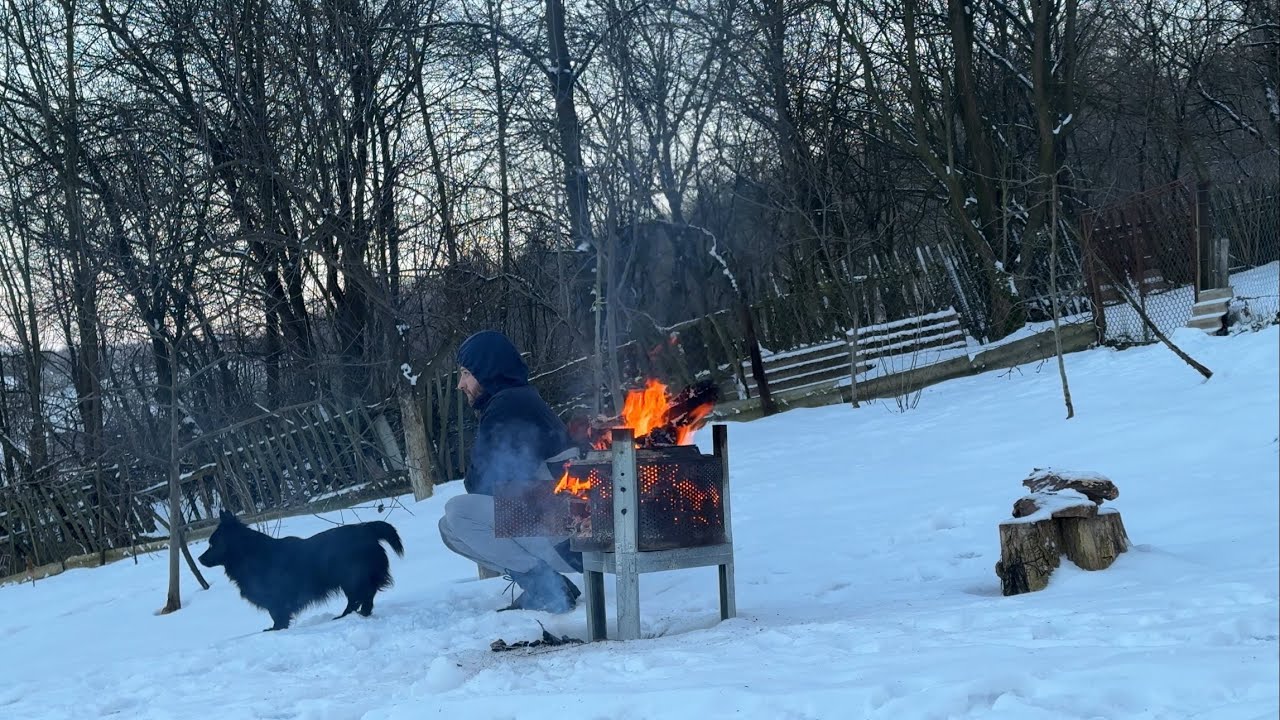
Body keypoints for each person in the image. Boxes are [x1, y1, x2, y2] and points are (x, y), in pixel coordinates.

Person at [437, 330, 583, 613]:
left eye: (466, 373)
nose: (460, 384)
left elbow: (481, 484)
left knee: (459, 511)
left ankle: (546, 587)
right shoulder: (515, 399)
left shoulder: (509, 404)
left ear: (488, 371)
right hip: (557, 525)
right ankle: (546, 585)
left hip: (567, 532)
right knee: (449, 528)